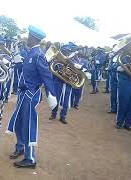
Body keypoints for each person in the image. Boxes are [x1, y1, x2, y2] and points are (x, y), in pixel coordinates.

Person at [6, 25, 57, 169]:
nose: (26, 38)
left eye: (28, 36)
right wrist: (15, 53)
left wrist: (51, 94)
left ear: (33, 38)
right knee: (19, 122)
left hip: (30, 94)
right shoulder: (31, 52)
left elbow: (46, 75)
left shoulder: (38, 55)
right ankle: (21, 146)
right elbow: (23, 68)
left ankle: (30, 159)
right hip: (23, 94)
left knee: (28, 125)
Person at [49, 43, 79, 124]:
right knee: (56, 99)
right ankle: (53, 114)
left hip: (68, 83)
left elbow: (79, 69)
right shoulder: (57, 59)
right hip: (58, 81)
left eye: (68, 51)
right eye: (65, 51)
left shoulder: (74, 59)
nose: (67, 53)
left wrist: (75, 65)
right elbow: (53, 68)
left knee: (66, 100)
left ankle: (63, 116)